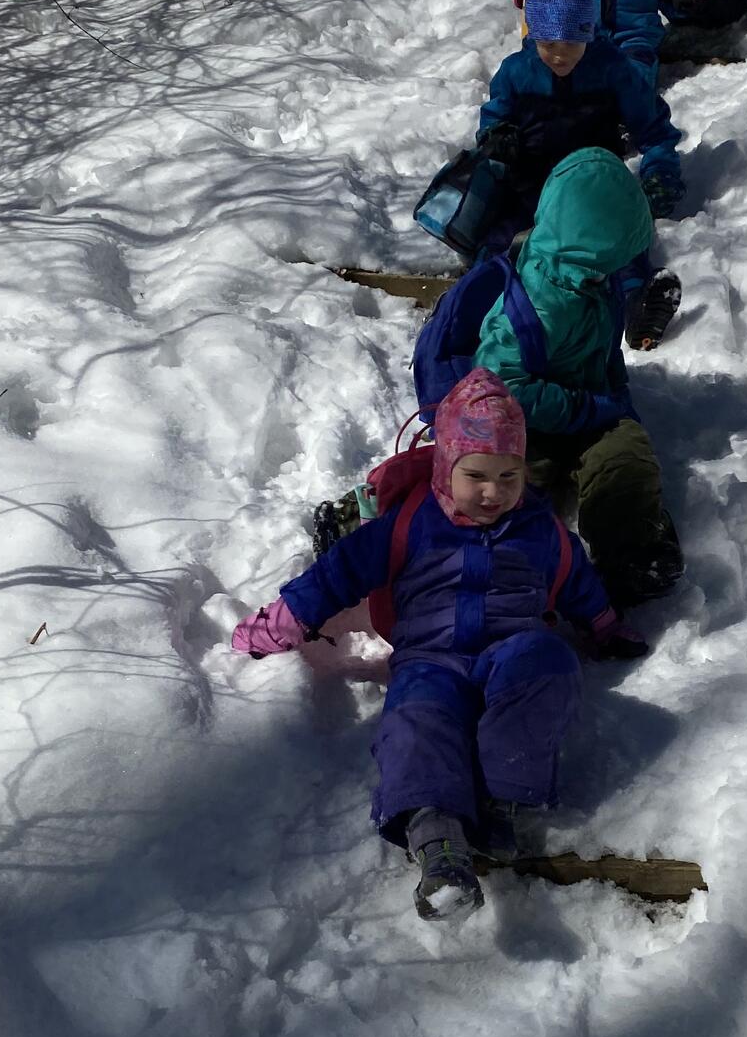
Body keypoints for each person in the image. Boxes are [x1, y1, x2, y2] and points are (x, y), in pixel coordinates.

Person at [231, 367, 648, 920]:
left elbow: (577, 581)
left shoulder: (539, 530)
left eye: (509, 475)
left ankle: (501, 797)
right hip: (430, 659)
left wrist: (604, 625)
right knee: (415, 726)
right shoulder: (407, 524)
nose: (494, 492)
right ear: (446, 465)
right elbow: (331, 578)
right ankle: (439, 842)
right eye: (476, 474)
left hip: (512, 648)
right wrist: (275, 625)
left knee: (548, 661)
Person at [474, 147, 684, 609]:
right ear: (591, 250)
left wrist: (615, 394)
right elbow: (499, 387)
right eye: (615, 256)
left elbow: (602, 345)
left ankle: (629, 548)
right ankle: (373, 525)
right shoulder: (532, 308)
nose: (619, 268)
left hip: (585, 411)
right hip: (522, 430)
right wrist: (587, 409)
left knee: (626, 455)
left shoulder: (590, 279)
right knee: (489, 491)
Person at [480, 0, 683, 223]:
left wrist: (660, 172)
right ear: (534, 34)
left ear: (588, 30)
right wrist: (495, 136)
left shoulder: (612, 69)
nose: (559, 56)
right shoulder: (517, 72)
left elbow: (653, 128)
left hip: (595, 187)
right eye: (549, 44)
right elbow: (494, 119)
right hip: (530, 189)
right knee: (505, 249)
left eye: (571, 44)